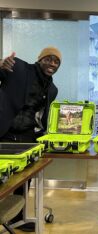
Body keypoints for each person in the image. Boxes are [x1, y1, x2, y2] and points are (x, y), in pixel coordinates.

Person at [0, 47, 62, 232]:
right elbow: (3, 74)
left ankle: (17, 218)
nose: (52, 64)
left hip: (28, 136)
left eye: (56, 61)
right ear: (40, 58)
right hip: (4, 130)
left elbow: (43, 114)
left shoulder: (52, 89)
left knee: (24, 180)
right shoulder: (19, 68)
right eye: (48, 59)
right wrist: (1, 66)